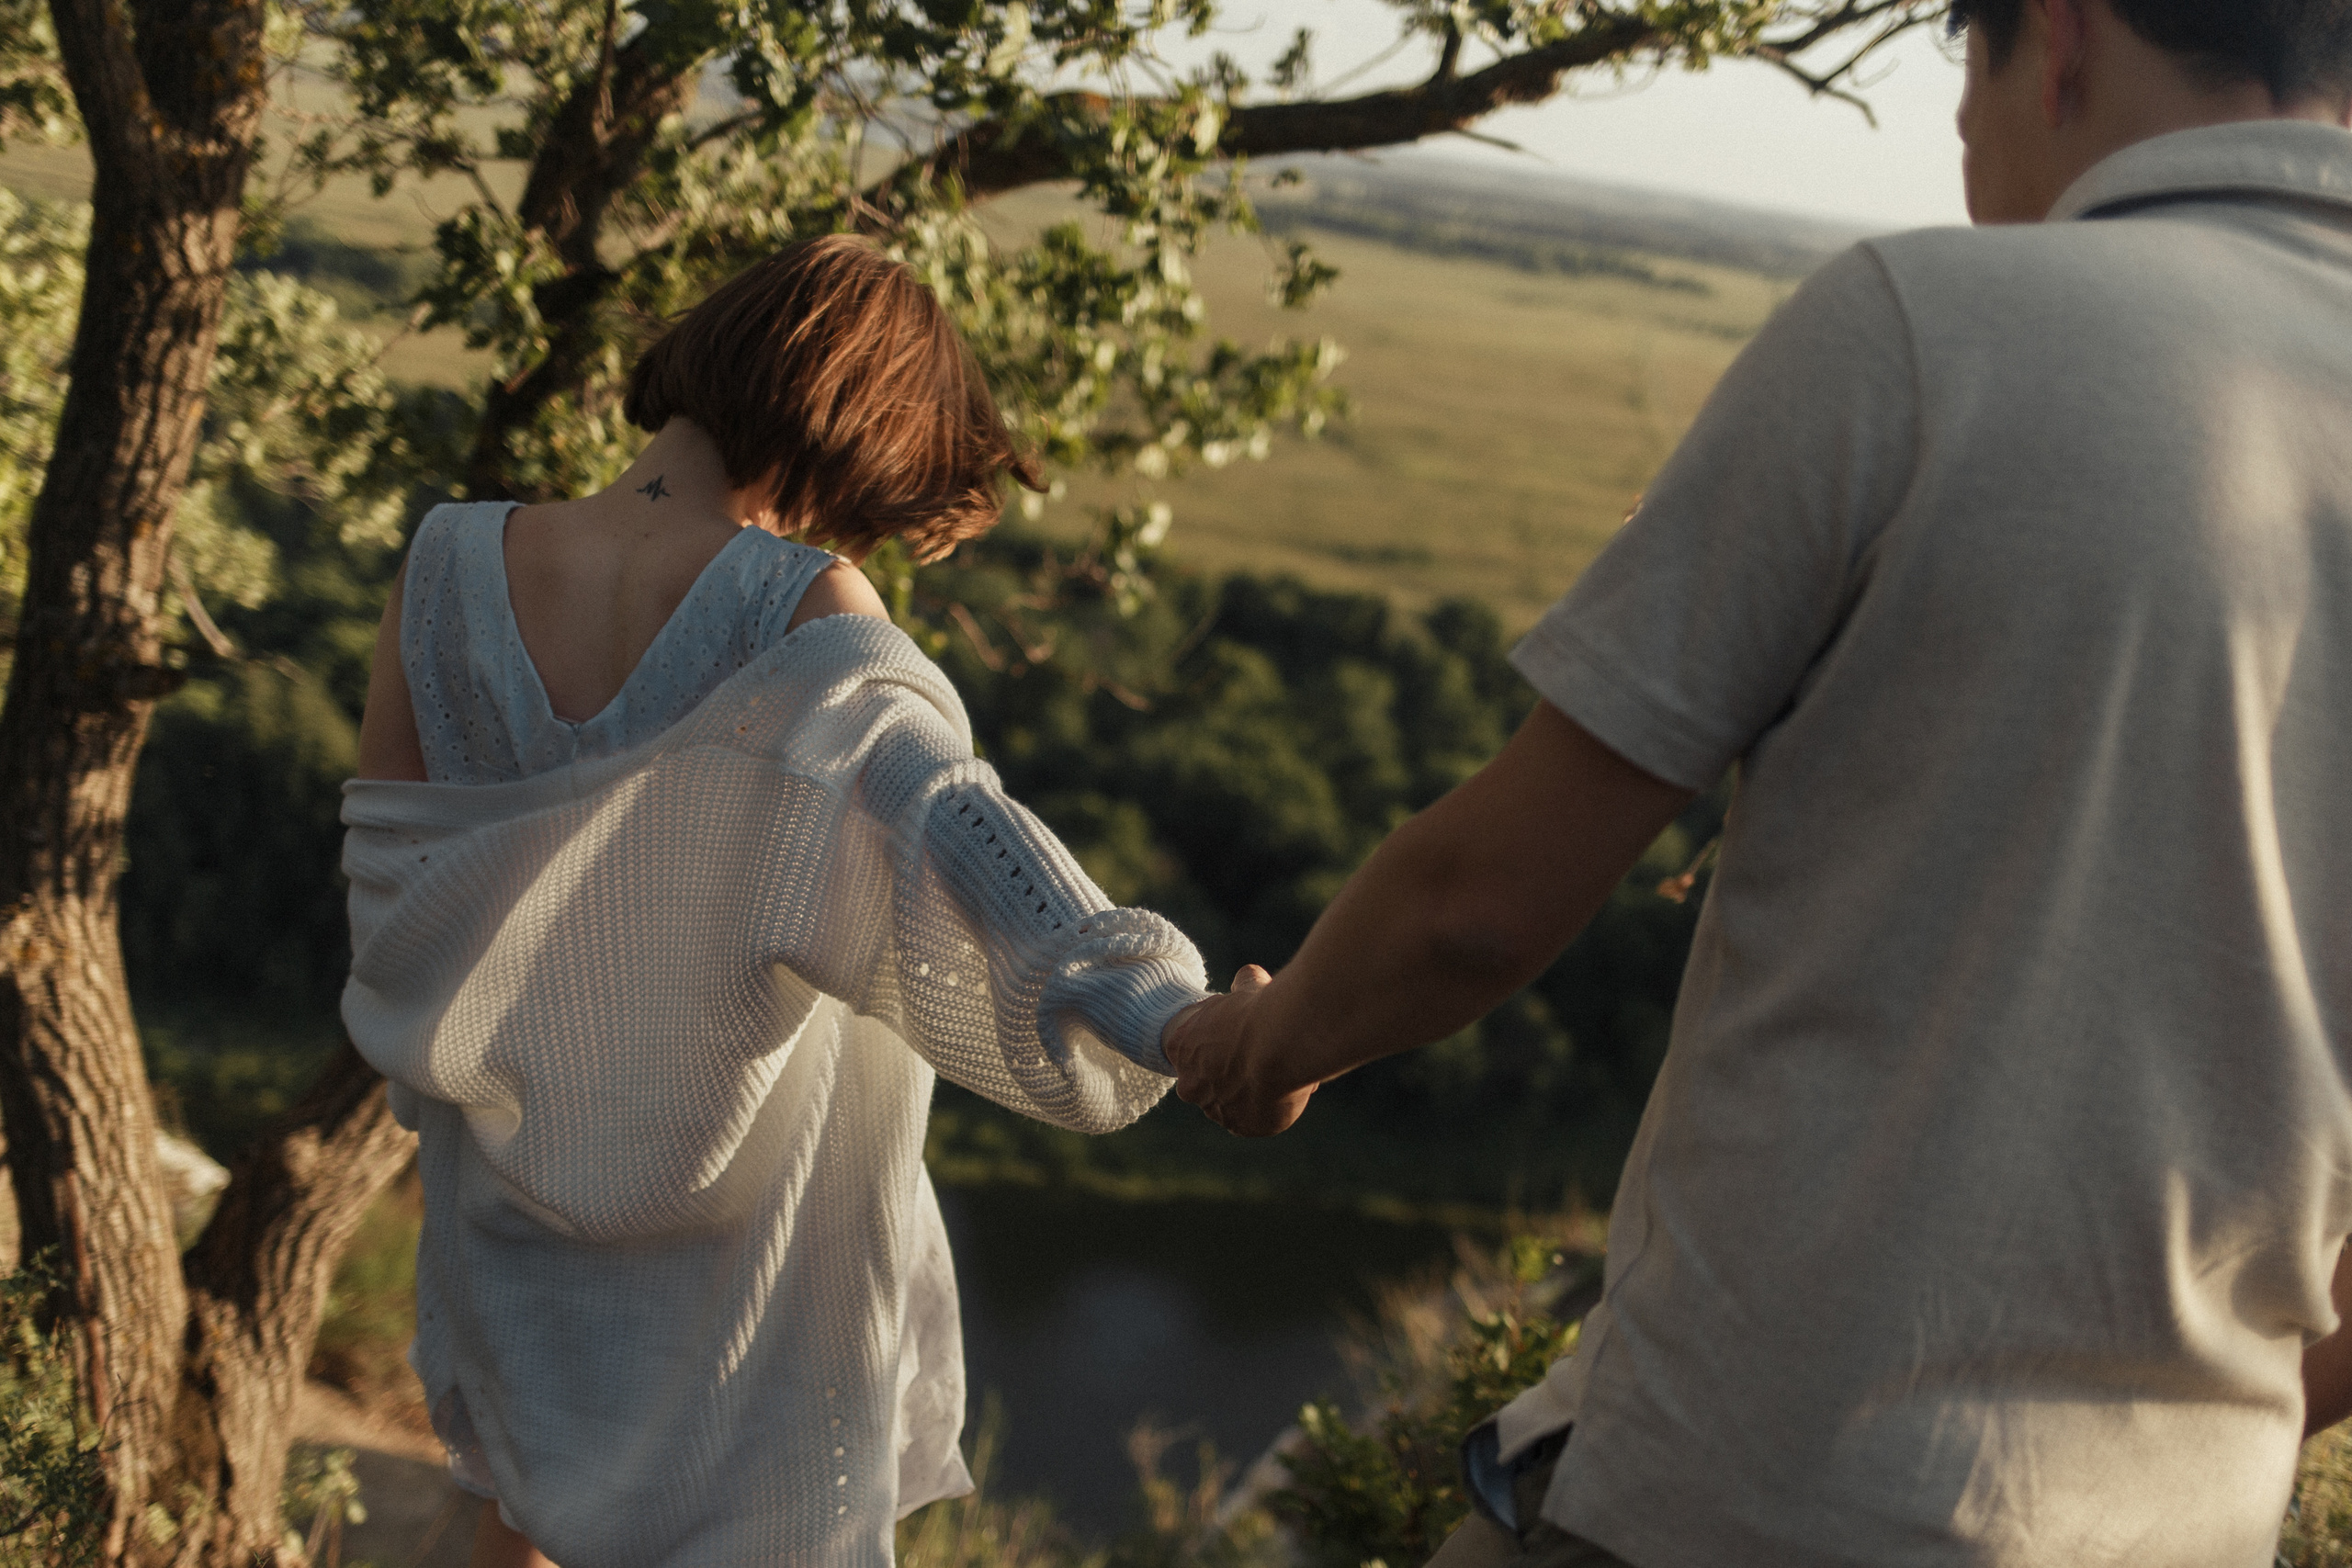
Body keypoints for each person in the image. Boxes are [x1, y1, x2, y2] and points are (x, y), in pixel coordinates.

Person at [1163, 3, 2352, 1564]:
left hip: (1744, 1494)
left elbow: (1478, 908)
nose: (1965, 141)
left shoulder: (1928, 326)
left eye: (1965, 81)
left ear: (2056, 41)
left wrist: (1268, 1045)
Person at [345, 236, 1209, 1568]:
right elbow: (966, 841)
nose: (856, 537)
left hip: (501, 1209)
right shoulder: (805, 609)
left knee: (511, 1512)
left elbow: (402, 904)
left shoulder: (444, 566)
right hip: (743, 1277)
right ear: (863, 432)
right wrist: (1169, 1018)